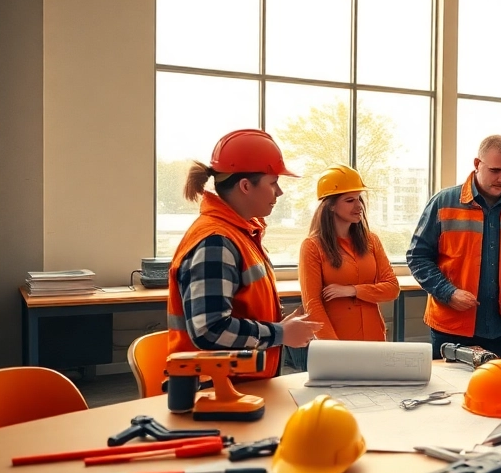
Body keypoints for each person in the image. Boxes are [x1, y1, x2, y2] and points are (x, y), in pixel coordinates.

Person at [167, 129, 321, 379]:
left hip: (240, 385)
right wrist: (280, 333)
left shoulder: (241, 234)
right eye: (273, 183)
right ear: (246, 186)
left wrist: (280, 326)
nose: (279, 192)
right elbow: (210, 330)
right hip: (214, 390)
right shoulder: (215, 242)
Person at [407, 135, 501, 359]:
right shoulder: (443, 203)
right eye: (495, 171)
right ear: (477, 164)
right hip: (451, 329)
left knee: (498, 382)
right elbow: (418, 257)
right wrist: (448, 293)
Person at [297, 165, 400, 343]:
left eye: (359, 199)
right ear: (330, 205)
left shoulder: (371, 240)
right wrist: (334, 348)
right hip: (338, 340)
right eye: (349, 200)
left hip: (375, 338)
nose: (358, 206)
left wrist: (352, 290)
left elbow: (392, 289)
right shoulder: (312, 246)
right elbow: (312, 305)